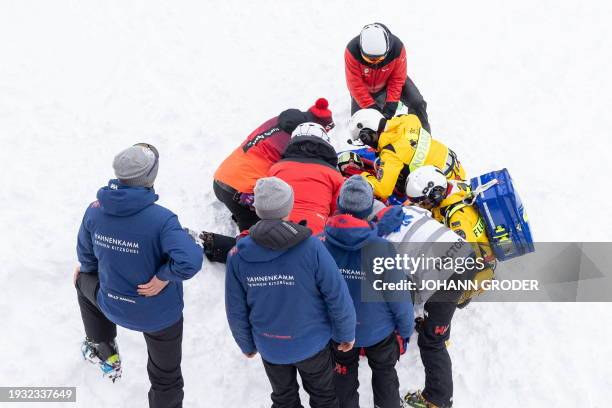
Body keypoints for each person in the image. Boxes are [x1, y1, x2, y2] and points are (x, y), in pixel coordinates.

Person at [75, 143, 204, 408]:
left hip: (111, 304)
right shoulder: (162, 220)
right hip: (159, 317)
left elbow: (86, 260)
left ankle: (104, 349)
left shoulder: (94, 210)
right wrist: (164, 276)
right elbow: (190, 261)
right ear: (150, 178)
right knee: (165, 378)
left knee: (80, 279)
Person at [225, 177, 356, 408]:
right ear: (289, 206)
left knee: (284, 398)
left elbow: (236, 309)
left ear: (257, 209)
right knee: (324, 397)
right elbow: (336, 293)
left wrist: (246, 344)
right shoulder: (312, 246)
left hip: (270, 346)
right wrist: (346, 332)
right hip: (312, 343)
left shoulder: (237, 255)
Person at [373, 202, 478, 408]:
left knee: (432, 342)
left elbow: (402, 290)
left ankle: (438, 399)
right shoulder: (406, 209)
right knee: (437, 309)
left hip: (448, 275)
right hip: (464, 253)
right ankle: (438, 324)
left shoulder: (381, 243)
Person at [201, 100, 334, 262]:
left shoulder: (280, 120)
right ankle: (215, 245)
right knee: (268, 242)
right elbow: (294, 176)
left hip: (222, 179)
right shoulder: (294, 143)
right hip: (243, 192)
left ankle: (243, 217)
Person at [322, 176, 414, 408]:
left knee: (343, 377)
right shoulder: (382, 248)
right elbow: (399, 297)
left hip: (339, 331)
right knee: (384, 373)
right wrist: (404, 331)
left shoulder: (320, 245)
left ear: (340, 206)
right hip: (377, 330)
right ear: (368, 210)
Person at [404, 165, 496, 307]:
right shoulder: (452, 187)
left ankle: (465, 294)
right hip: (476, 245)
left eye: (423, 202)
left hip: (479, 262)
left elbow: (468, 259)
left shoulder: (456, 219)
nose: (421, 205)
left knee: (435, 296)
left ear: (435, 194)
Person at [348, 109, 466, 201]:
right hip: (458, 172)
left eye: (363, 140)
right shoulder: (409, 119)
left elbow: (383, 190)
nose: (367, 145)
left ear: (367, 135)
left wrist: (361, 175)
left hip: (443, 190)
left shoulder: (391, 154)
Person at [345, 23, 430, 132]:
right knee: (361, 124)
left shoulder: (398, 49)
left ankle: (422, 133)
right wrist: (372, 108)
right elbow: (355, 85)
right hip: (364, 88)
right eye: (369, 60)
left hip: (391, 79)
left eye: (379, 59)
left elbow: (397, 79)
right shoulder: (351, 51)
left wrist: (391, 104)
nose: (375, 63)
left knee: (417, 102)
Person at [268, 122, 345, 234]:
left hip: (277, 229)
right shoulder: (334, 175)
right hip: (315, 230)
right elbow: (337, 212)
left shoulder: (276, 169)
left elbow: (265, 202)